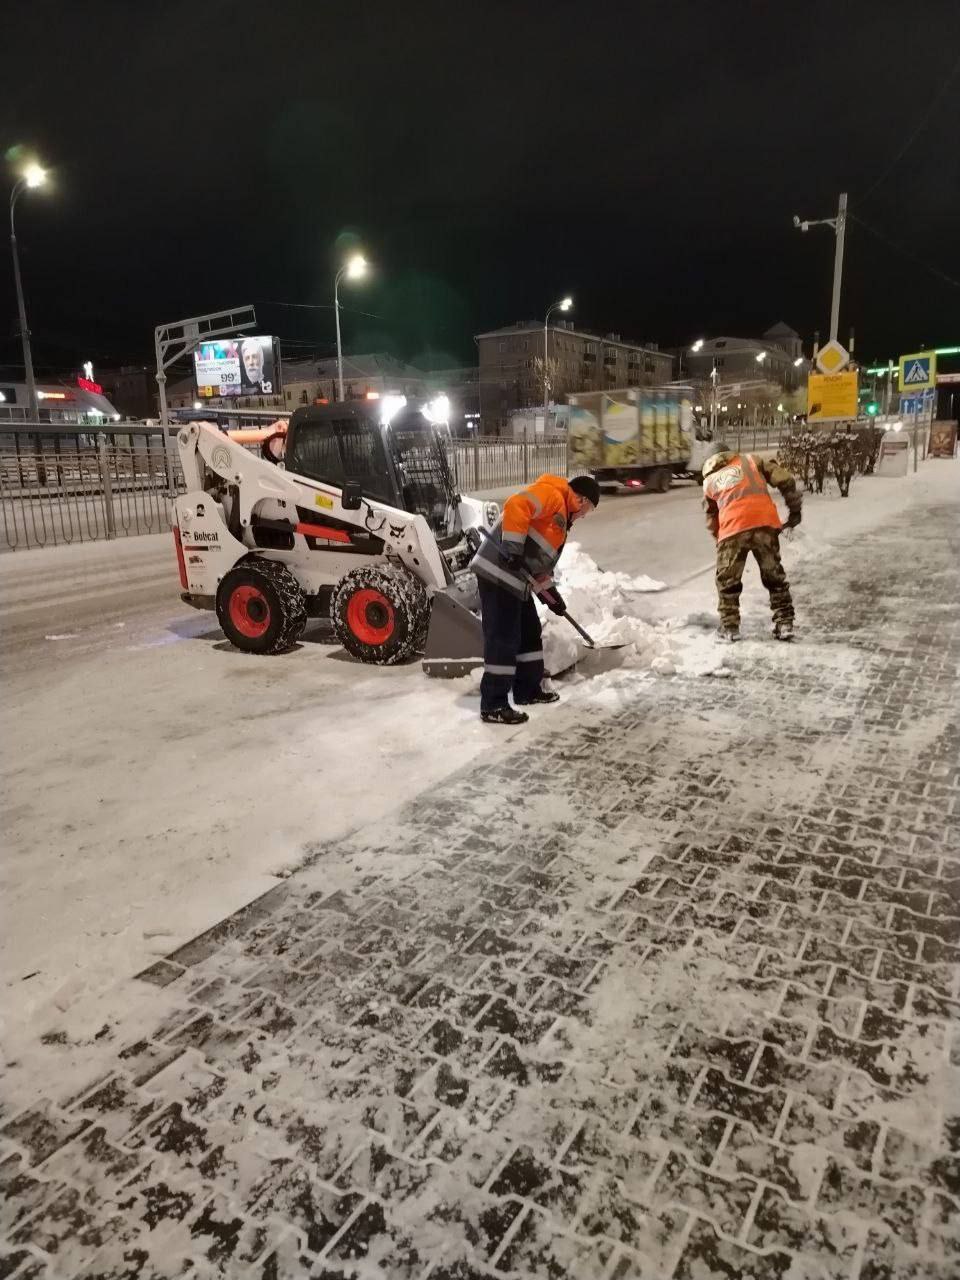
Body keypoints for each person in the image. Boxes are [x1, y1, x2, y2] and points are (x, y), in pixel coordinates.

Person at [471, 472, 600, 725]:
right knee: (503, 639)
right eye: (589, 510)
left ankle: (527, 690)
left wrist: (551, 595)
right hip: (497, 574)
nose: (585, 515)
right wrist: (513, 548)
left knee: (530, 633)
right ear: (582, 500)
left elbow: (537, 566)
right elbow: (517, 504)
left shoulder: (561, 520)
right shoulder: (553, 495)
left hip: (516, 581)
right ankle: (494, 705)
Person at [701, 446, 801, 642]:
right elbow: (785, 479)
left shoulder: (709, 481)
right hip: (765, 524)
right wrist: (794, 511)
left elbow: (711, 519)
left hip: (732, 530)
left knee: (727, 582)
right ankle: (785, 623)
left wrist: (721, 541)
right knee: (774, 577)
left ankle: (730, 628)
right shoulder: (751, 461)